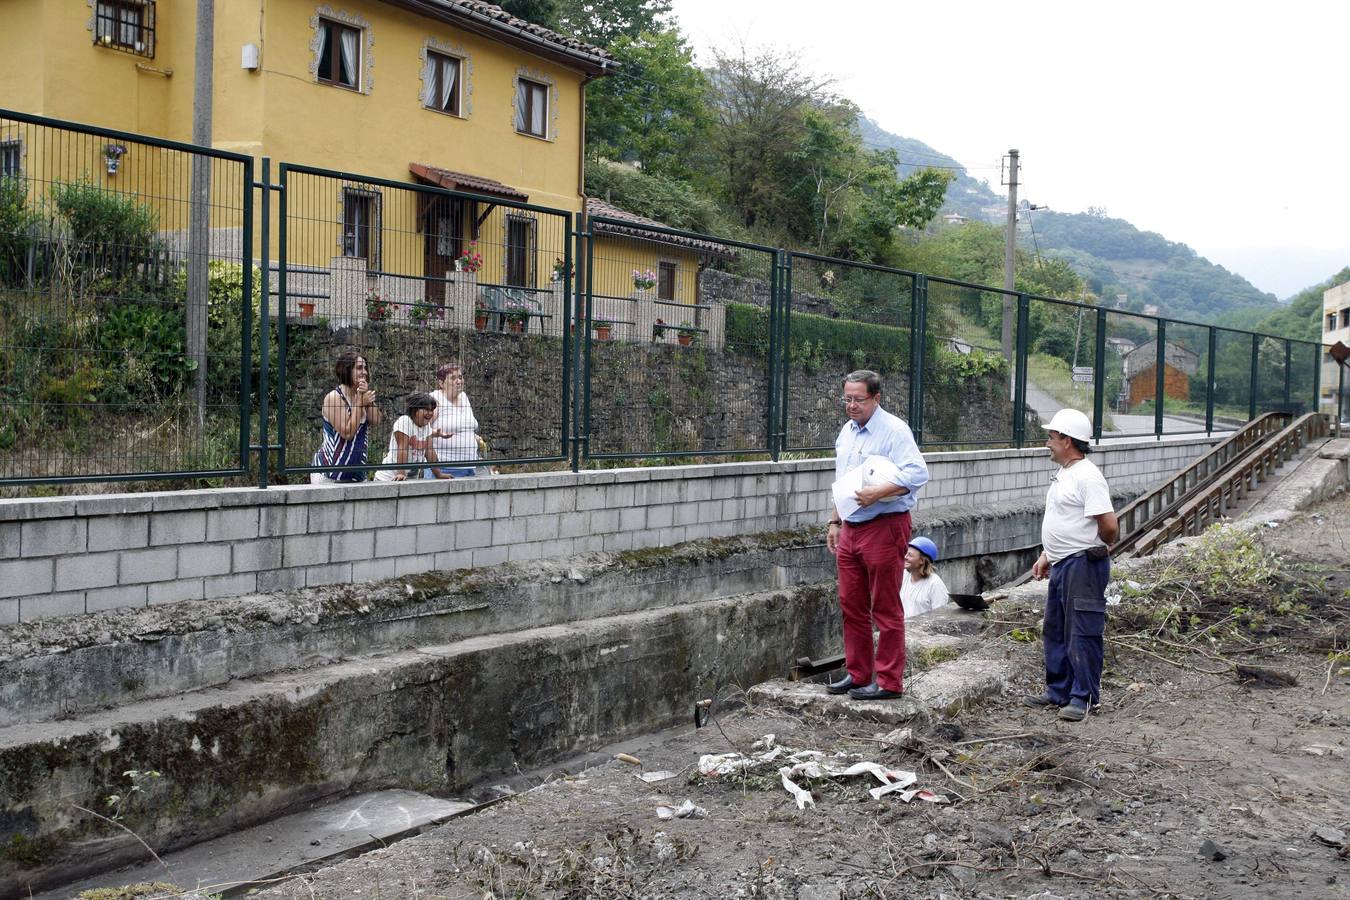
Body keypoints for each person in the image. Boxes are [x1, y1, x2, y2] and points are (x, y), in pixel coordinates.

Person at [825, 370, 929, 701]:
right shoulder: (847, 431)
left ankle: (888, 682)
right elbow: (842, 480)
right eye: (847, 399)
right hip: (851, 526)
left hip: (884, 524)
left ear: (876, 398)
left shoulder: (895, 431)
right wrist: (834, 522)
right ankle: (858, 675)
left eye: (859, 399)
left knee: (884, 605)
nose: (852, 406)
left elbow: (917, 474)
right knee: (851, 603)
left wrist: (878, 492)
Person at [1025, 408, 1119, 722]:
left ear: (1068, 440)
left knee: (1082, 631)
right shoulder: (1066, 473)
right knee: (1056, 630)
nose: (1047, 442)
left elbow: (1109, 527)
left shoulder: (1088, 475)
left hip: (1083, 565)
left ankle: (1084, 697)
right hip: (1064, 563)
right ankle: (1059, 690)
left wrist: (1091, 547)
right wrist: (1047, 554)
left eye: (1052, 437)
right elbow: (1065, 520)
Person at [311, 351, 381, 484]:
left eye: (365, 368)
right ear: (346, 370)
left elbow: (377, 420)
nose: (365, 372)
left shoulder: (361, 396)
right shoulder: (334, 398)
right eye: (359, 368)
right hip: (329, 475)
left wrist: (367, 399)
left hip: (357, 474)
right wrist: (360, 404)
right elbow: (347, 433)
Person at [374, 393, 454, 482]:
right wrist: (401, 473)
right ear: (415, 410)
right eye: (426, 409)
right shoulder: (404, 421)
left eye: (432, 410)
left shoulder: (426, 427)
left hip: (409, 480)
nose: (430, 413)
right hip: (388, 478)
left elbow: (430, 452)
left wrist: (438, 474)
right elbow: (402, 449)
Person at [428, 361, 480, 478]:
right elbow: (420, 430)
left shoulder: (464, 397)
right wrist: (437, 433)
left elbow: (464, 426)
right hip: (444, 468)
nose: (459, 381)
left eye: (460, 377)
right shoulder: (435, 399)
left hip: (470, 467)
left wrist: (473, 437)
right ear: (441, 383)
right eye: (453, 378)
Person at [900, 536, 950, 619]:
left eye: (910, 555)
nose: (905, 557)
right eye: (906, 553)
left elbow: (940, 618)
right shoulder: (903, 575)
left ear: (922, 561)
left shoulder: (935, 584)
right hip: (903, 629)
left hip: (921, 630)